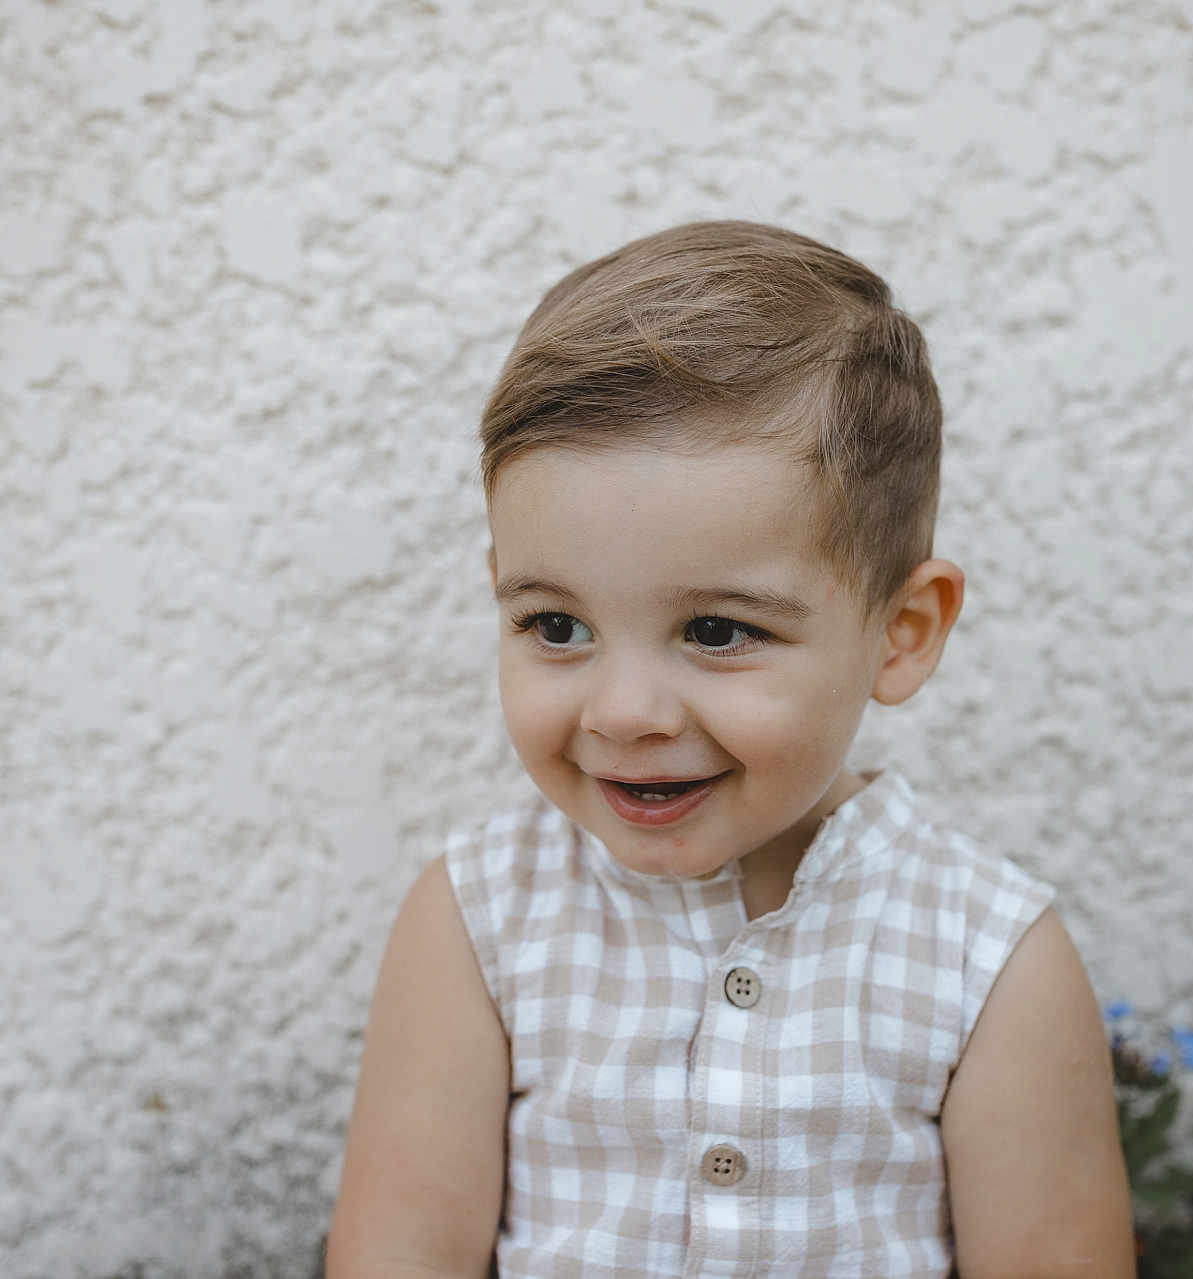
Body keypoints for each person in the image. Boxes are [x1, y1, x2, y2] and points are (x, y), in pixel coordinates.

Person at [326, 221, 1135, 1278]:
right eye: (554, 625)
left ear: (904, 631)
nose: (623, 712)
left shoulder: (986, 955)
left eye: (716, 631)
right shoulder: (479, 920)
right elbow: (401, 1252)